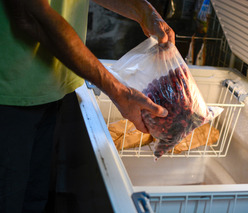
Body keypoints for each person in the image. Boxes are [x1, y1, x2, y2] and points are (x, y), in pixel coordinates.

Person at [0, 0, 175, 212]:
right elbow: (30, 16)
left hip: (48, 86)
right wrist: (119, 92)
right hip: (10, 92)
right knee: (9, 200)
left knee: (34, 198)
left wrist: (143, 10)